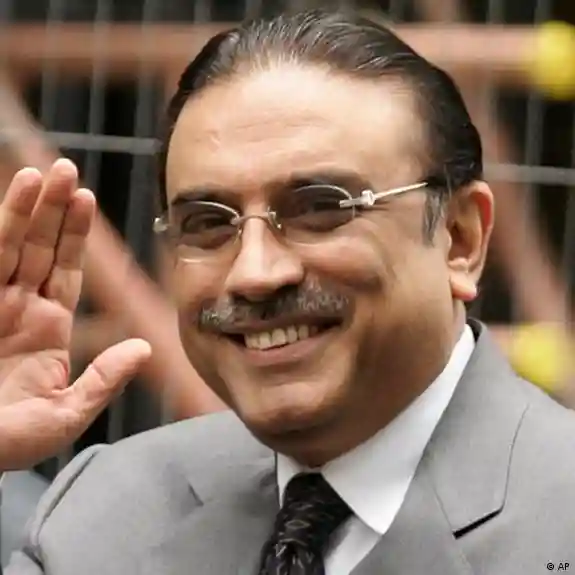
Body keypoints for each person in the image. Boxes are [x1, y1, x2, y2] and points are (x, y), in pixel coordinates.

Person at [2, 9, 575, 575]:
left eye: (321, 208)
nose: (254, 273)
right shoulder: (107, 511)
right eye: (208, 222)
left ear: (459, 239)